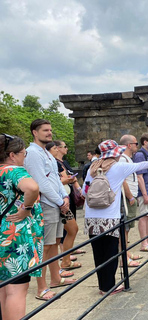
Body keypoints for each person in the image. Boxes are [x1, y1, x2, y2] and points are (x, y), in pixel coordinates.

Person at [82, 140, 148, 295]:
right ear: (115, 153)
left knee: (98, 253)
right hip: (109, 217)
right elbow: (141, 166)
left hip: (90, 217)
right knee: (111, 252)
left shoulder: (92, 169)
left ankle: (103, 285)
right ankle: (109, 287)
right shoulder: (118, 167)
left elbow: (84, 192)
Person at [24, 119, 76, 301]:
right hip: (45, 203)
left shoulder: (45, 153)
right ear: (34, 132)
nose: (49, 133)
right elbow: (40, 182)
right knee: (44, 246)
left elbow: (54, 177)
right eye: (45, 130)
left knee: (54, 242)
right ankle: (41, 287)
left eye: (50, 130)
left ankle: (55, 278)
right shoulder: (32, 153)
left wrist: (64, 197)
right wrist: (60, 200)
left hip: (55, 201)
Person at [0, 134, 43, 320]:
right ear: (12, 155)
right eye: (23, 154)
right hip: (15, 236)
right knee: (17, 289)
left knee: (3, 287)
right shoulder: (13, 171)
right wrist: (27, 208)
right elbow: (32, 187)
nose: (24, 158)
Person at [47, 141, 83, 272]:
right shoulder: (48, 162)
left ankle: (65, 261)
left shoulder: (56, 162)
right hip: (54, 202)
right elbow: (49, 182)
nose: (58, 150)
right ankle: (57, 269)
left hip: (64, 200)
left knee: (72, 229)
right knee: (52, 241)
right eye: (55, 148)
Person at [118, 135, 142, 267]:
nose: (136, 146)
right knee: (125, 228)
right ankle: (123, 259)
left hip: (130, 195)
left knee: (127, 228)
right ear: (128, 145)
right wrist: (130, 196)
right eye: (135, 143)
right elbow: (122, 180)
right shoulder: (122, 159)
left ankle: (126, 253)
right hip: (127, 197)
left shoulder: (128, 159)